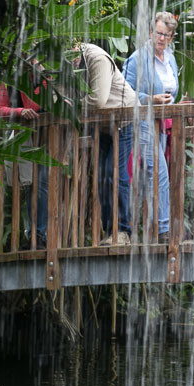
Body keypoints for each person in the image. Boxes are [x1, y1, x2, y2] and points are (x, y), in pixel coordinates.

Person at [75, 42, 141, 246]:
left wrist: (68, 106)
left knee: (116, 173)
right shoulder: (63, 61)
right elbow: (56, 94)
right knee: (103, 176)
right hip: (103, 124)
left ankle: (123, 231)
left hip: (125, 118)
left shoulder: (97, 58)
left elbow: (97, 100)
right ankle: (110, 230)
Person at [122, 12, 177, 240]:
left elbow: (172, 89)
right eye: (158, 33)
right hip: (142, 121)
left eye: (166, 35)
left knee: (148, 176)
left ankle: (137, 228)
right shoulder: (137, 58)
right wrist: (150, 99)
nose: (161, 38)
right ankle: (163, 229)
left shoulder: (170, 58)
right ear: (150, 32)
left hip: (162, 124)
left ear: (171, 37)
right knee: (159, 170)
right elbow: (124, 92)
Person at [0, 67, 48, 249]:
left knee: (42, 183)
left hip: (49, 135)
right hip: (26, 136)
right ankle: (33, 235)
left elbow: (41, 104)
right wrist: (19, 111)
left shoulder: (46, 70)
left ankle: (42, 234)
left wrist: (38, 73)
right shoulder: (9, 73)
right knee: (30, 185)